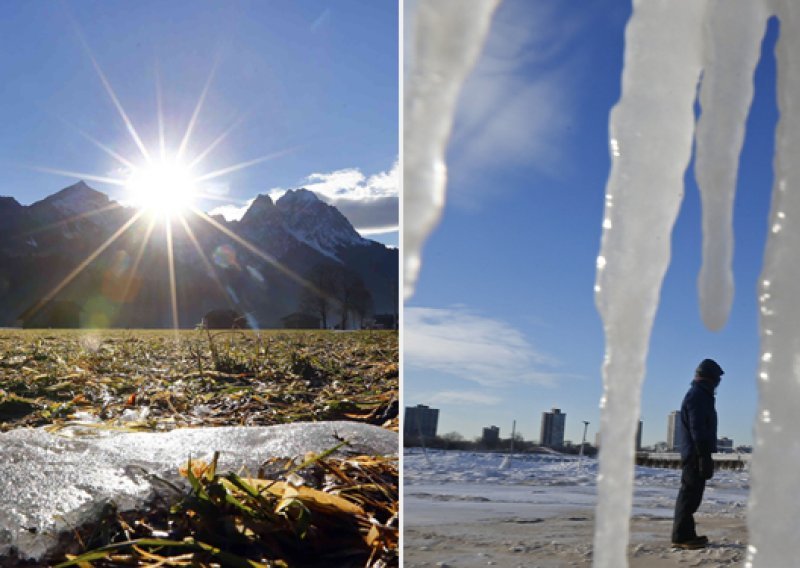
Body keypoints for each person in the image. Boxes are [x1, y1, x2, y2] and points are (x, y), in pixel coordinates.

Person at [671, 358, 723, 549]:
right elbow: (697, 428)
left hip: (696, 452)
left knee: (692, 494)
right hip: (695, 453)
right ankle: (681, 536)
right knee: (689, 494)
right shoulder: (698, 396)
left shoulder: (701, 395)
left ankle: (685, 534)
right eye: (717, 379)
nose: (718, 384)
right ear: (710, 378)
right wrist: (703, 455)